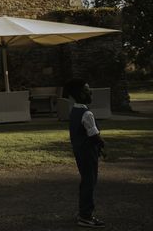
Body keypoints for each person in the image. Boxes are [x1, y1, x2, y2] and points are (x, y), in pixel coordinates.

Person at [65, 78, 106, 228]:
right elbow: (94, 135)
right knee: (90, 182)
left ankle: (83, 212)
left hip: (79, 151)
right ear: (81, 94)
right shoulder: (87, 114)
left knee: (85, 181)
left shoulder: (74, 111)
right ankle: (86, 216)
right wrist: (103, 145)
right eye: (87, 90)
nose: (91, 92)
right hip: (88, 152)